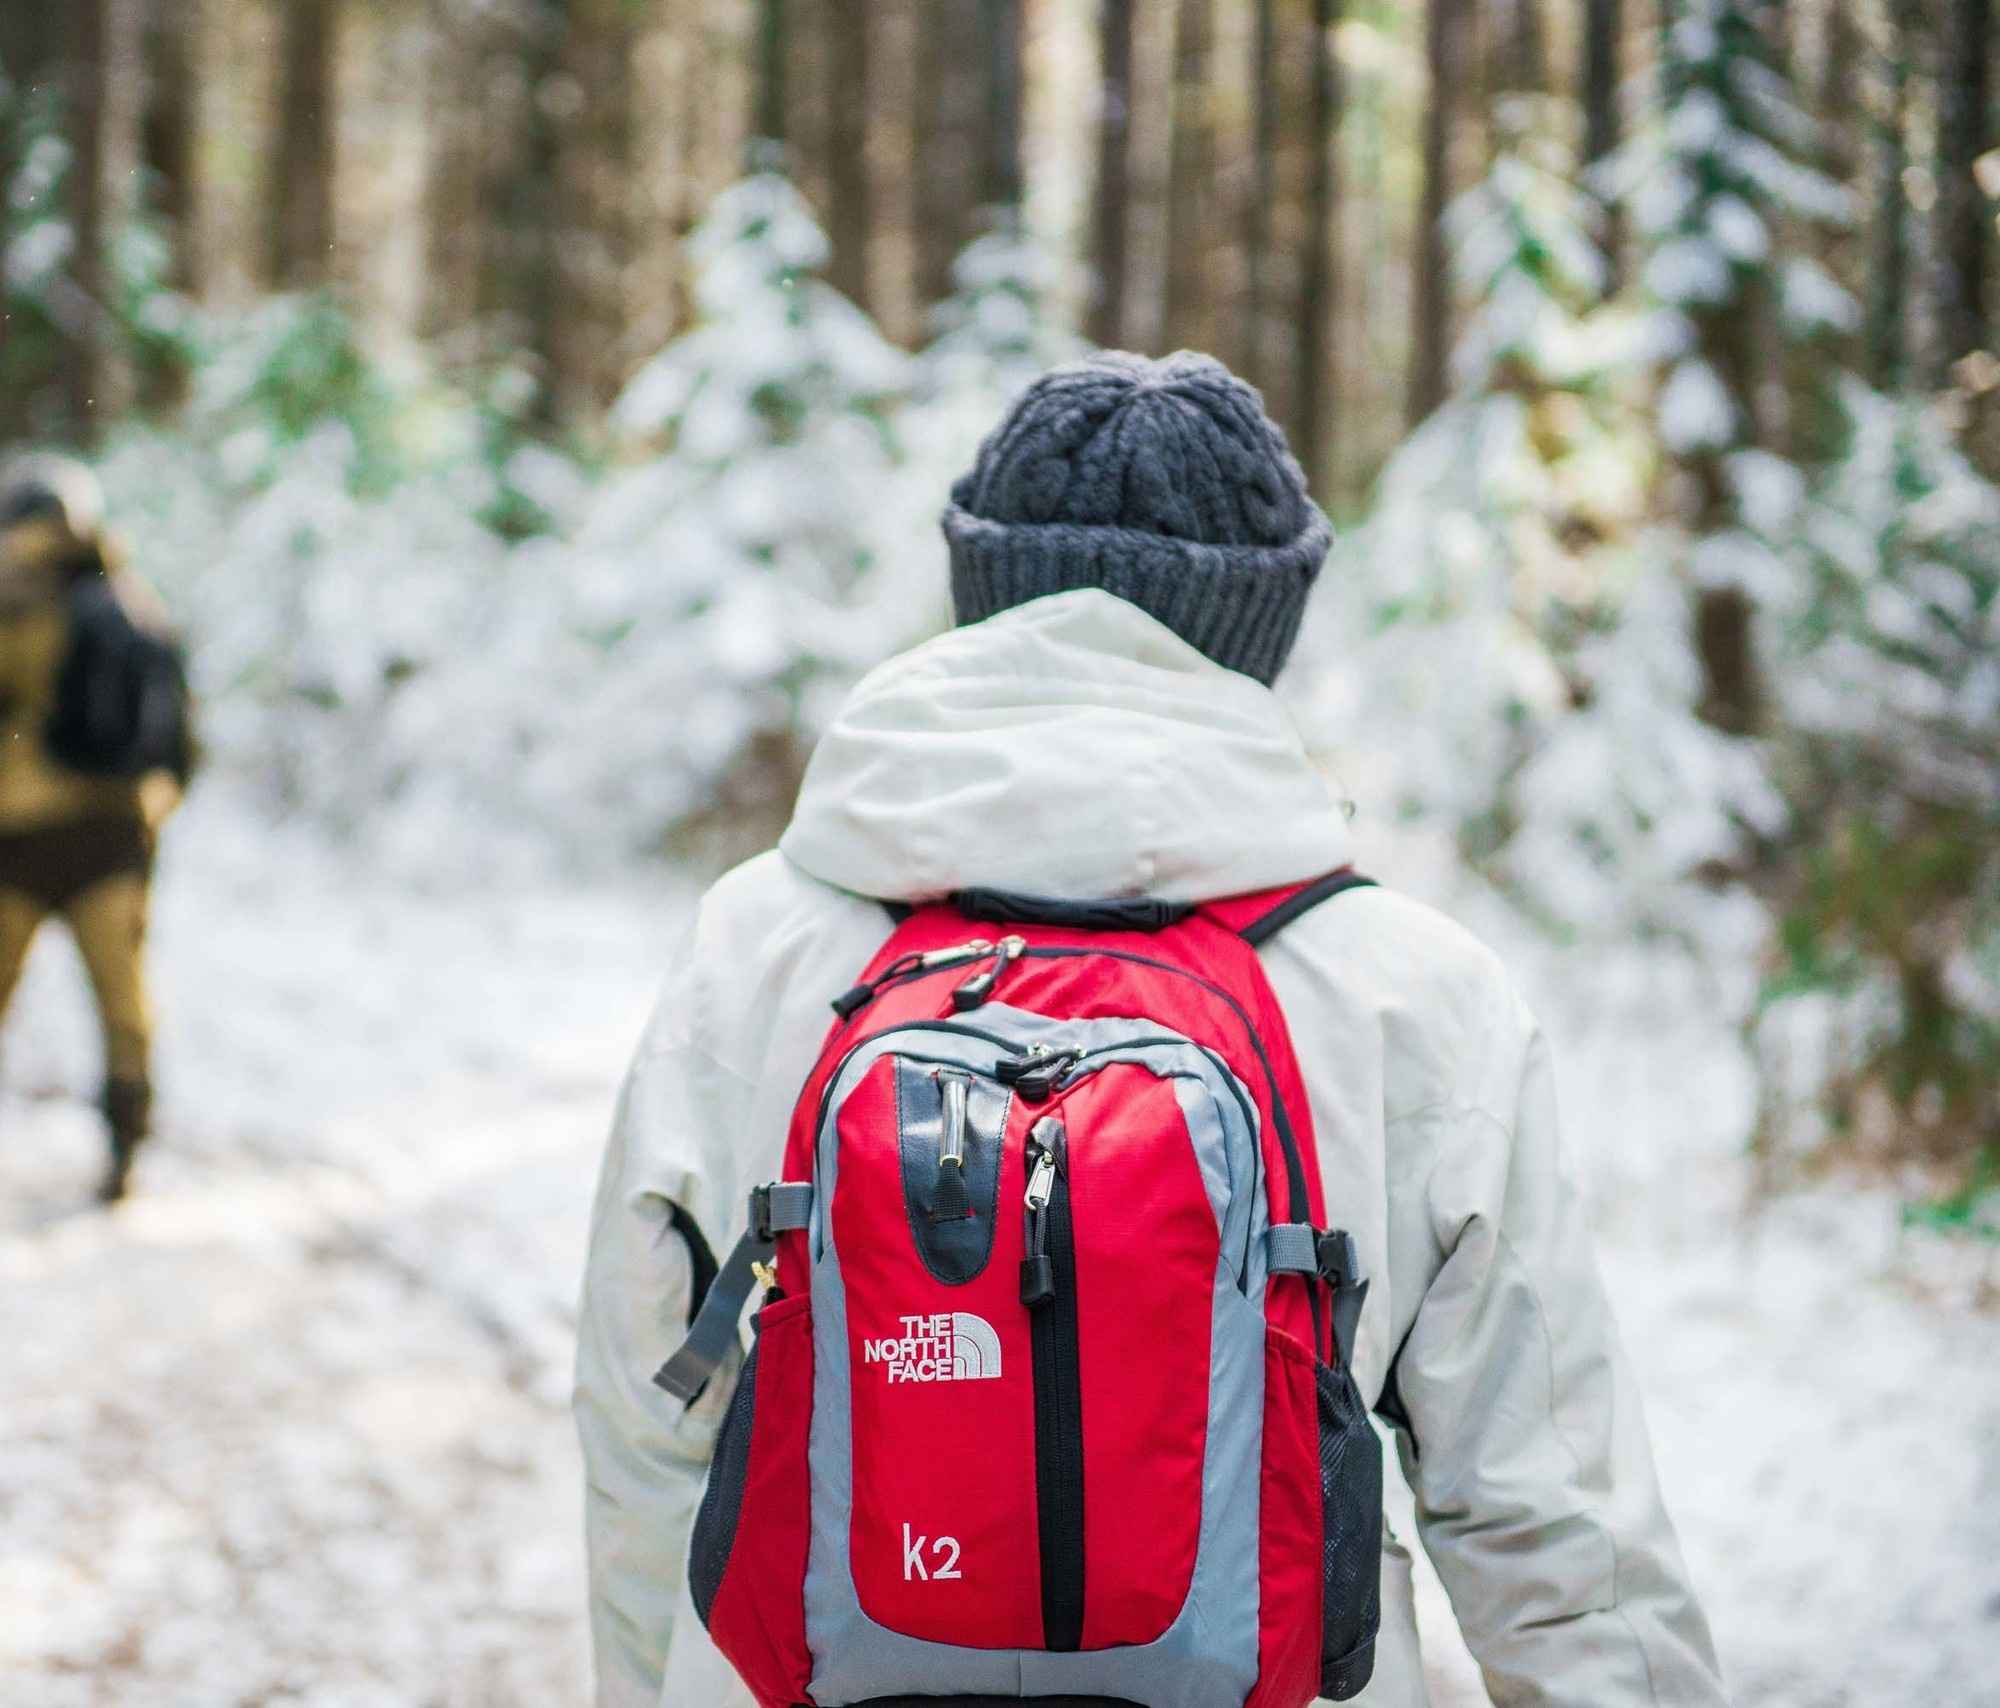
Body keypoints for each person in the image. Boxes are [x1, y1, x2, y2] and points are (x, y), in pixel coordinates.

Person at [574, 353, 1727, 1708]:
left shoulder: (755, 946)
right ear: (1260, 633)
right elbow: (1558, 1528)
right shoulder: (1414, 993)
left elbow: (647, 1426)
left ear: (983, 594)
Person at [0, 454, 194, 1202]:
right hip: (119, 834)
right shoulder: (136, 602)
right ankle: (127, 1136)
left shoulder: (9, 604)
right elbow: (179, 732)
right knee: (122, 995)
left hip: (22, 832)